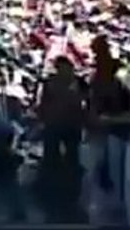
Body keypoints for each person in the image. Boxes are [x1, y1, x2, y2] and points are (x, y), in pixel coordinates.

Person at [88, 36, 130, 211]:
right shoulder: (99, 79)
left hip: (114, 125)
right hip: (106, 125)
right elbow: (95, 103)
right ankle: (111, 202)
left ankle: (115, 202)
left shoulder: (115, 82)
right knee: (104, 164)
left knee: (112, 164)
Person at [37, 56, 85, 189]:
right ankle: (48, 183)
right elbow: (43, 102)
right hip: (54, 123)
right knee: (51, 154)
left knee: (72, 155)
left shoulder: (78, 82)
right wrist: (42, 118)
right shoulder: (50, 83)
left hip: (72, 123)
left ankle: (71, 183)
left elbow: (86, 101)